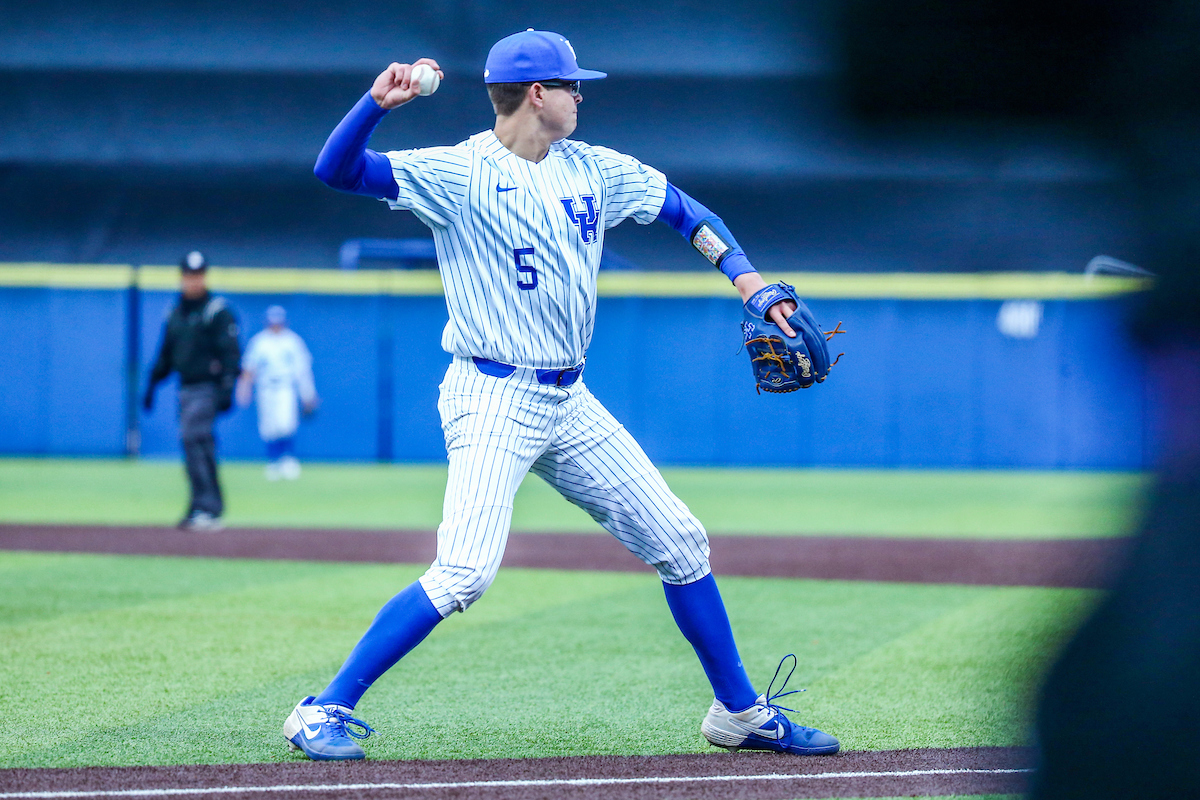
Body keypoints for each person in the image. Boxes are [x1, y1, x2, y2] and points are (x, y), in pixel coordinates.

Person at [284, 29, 838, 761]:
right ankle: (321, 710)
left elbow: (685, 210)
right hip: (491, 395)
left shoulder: (593, 168)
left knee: (682, 543)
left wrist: (751, 283)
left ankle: (738, 714)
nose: (582, 96)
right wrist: (374, 106)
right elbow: (337, 171)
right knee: (464, 572)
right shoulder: (459, 171)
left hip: (568, 400)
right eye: (574, 85)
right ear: (538, 94)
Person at [143, 250, 241, 531]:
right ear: (182, 276)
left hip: (207, 388)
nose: (193, 280)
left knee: (193, 438)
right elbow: (166, 353)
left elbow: (231, 353)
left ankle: (206, 506)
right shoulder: (176, 312)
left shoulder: (217, 311)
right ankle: (204, 504)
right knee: (197, 445)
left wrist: (227, 387)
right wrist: (152, 383)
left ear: (204, 276)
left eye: (198, 275)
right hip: (185, 389)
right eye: (189, 275)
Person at [236, 305, 319, 481]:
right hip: (265, 387)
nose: (275, 326)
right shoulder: (259, 341)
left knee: (286, 423)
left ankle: (287, 458)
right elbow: (249, 368)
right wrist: (244, 388)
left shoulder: (292, 341)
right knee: (268, 426)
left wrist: (308, 394)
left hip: (285, 386)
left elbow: (302, 370)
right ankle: (273, 461)